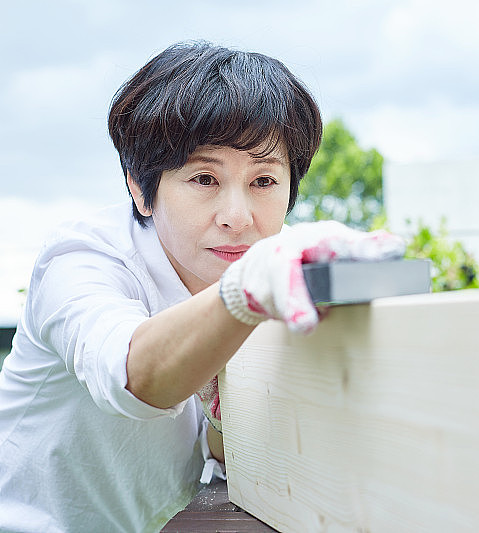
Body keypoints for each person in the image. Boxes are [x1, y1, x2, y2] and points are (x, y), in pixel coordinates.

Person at [0, 41, 404, 532]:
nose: (238, 217)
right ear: (140, 189)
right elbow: (134, 375)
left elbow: (216, 446)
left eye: (264, 182)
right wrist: (243, 294)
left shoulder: (276, 266)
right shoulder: (82, 261)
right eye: (205, 178)